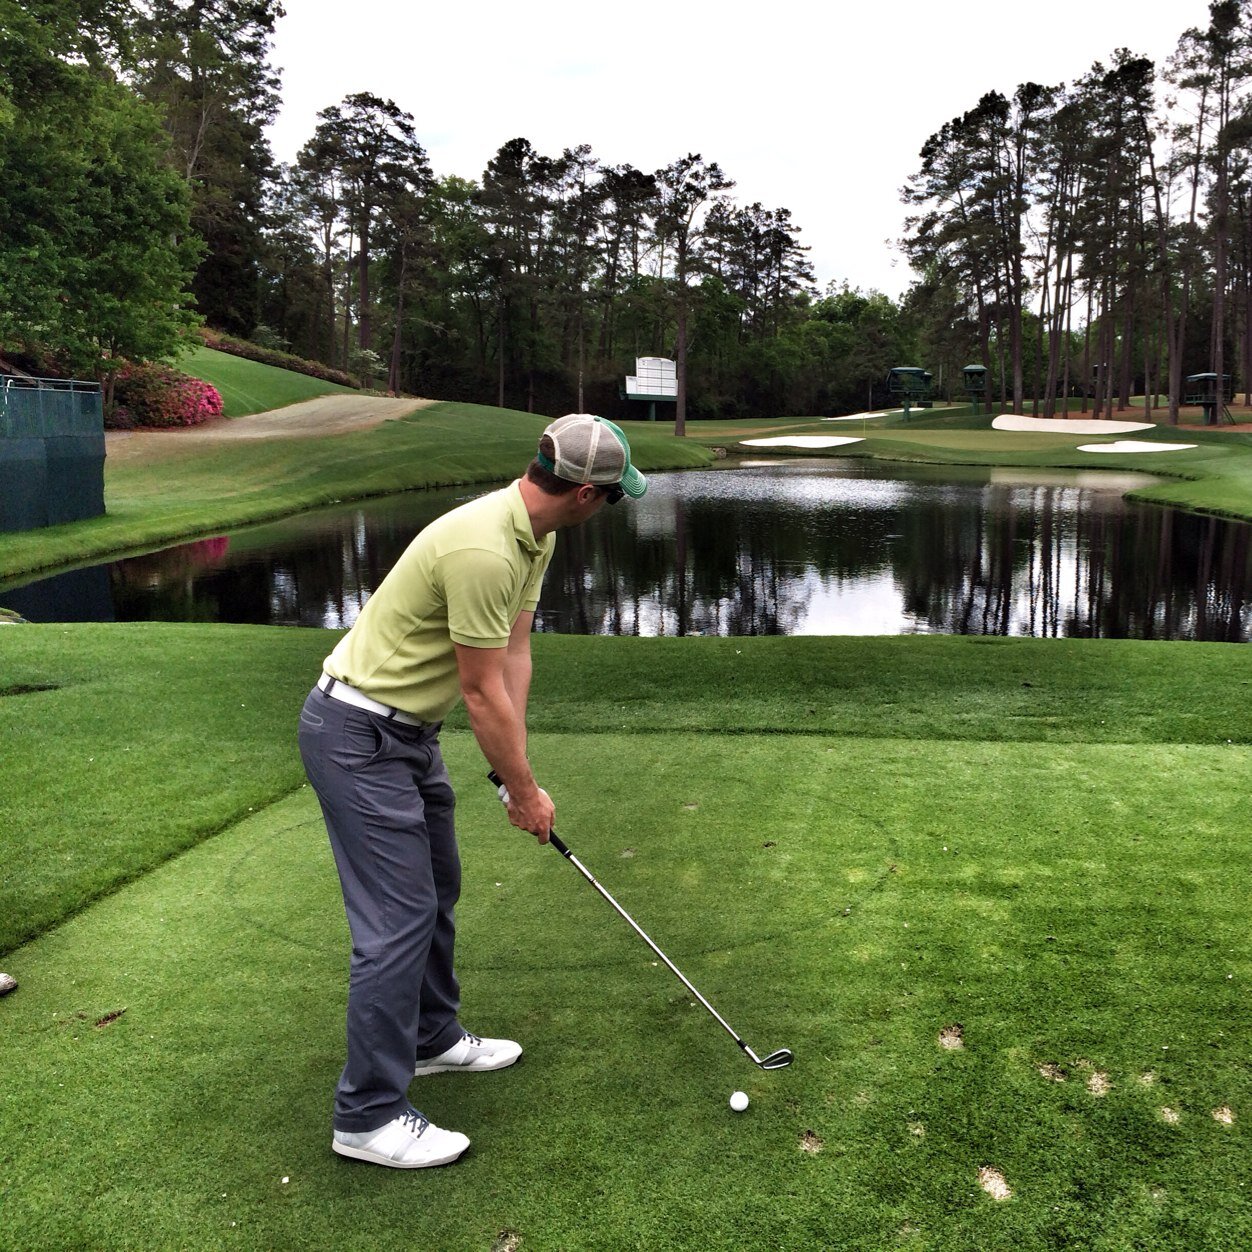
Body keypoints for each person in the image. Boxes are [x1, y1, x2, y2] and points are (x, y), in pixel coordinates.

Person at [298, 413, 647, 1169]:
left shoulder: (536, 535)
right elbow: (479, 690)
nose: (607, 511)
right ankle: (365, 1116)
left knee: (439, 886)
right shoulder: (486, 546)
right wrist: (523, 791)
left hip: (408, 735)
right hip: (357, 734)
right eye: (614, 499)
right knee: (397, 919)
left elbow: (512, 654)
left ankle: (430, 1039)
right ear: (586, 494)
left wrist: (512, 765)